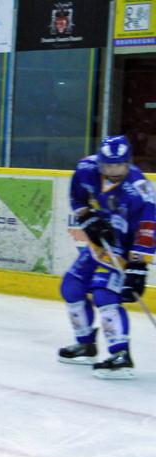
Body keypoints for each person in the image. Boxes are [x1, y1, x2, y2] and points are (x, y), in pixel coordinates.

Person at [58, 135, 155, 379]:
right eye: (108, 165)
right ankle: (85, 344)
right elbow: (78, 199)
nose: (113, 171)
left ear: (128, 162)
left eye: (119, 165)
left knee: (104, 294)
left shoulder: (140, 189)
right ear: (100, 162)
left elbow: (148, 227)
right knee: (71, 287)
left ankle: (120, 355)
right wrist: (89, 218)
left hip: (123, 250)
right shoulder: (86, 169)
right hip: (100, 245)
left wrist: (137, 266)